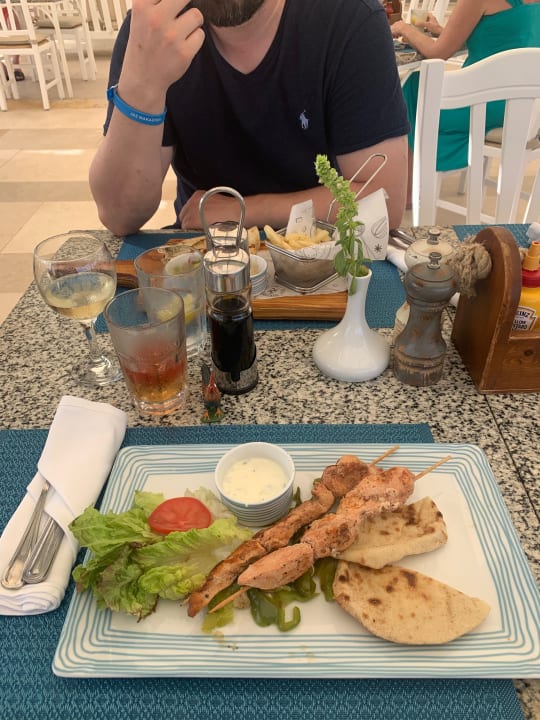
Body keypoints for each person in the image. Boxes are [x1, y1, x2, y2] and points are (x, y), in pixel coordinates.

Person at [89, 0, 410, 236]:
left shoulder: (348, 18)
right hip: (202, 256)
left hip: (324, 254)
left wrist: (242, 210)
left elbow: (385, 202)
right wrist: (143, 86)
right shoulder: (155, 31)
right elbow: (119, 216)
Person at [390, 0, 540, 201]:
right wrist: (443, 32)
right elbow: (507, 36)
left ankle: (407, 191)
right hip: (525, 104)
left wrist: (403, 27)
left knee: (411, 87)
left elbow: (438, 53)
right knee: (418, 87)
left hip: (484, 103)